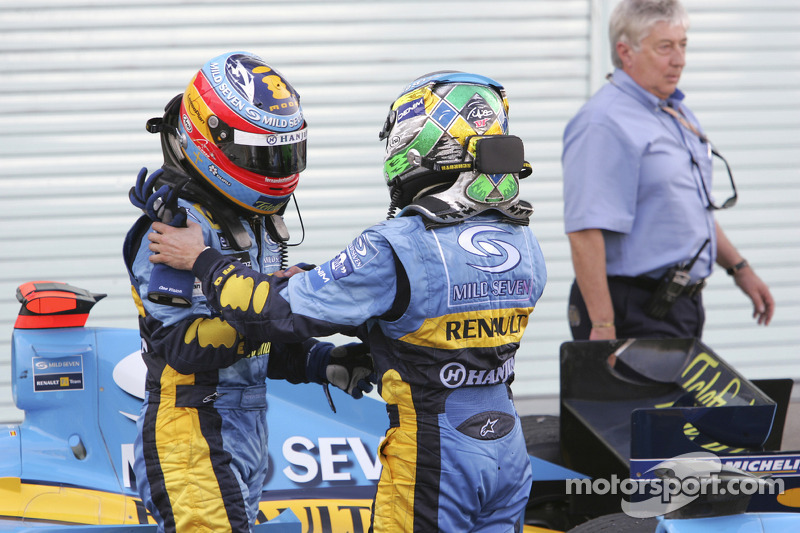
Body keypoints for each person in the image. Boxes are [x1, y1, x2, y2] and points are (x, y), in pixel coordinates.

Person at [145, 71, 547, 532]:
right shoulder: (525, 242)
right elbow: (429, 315)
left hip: (436, 456)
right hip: (508, 451)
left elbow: (276, 314)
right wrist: (332, 355)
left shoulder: (397, 244)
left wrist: (204, 260)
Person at [122, 51, 374, 533]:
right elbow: (183, 348)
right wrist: (276, 300)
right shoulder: (173, 228)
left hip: (241, 432)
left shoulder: (244, 220)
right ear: (212, 141)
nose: (276, 168)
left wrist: (321, 361)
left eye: (285, 153)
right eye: (263, 155)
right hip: (192, 435)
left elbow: (252, 345)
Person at [562, 0, 775, 341]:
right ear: (625, 52)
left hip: (678, 306)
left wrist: (739, 268)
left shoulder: (675, 112)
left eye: (682, 45)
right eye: (665, 47)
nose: (679, 59)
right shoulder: (602, 123)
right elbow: (584, 231)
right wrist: (602, 326)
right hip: (630, 309)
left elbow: (688, 207)